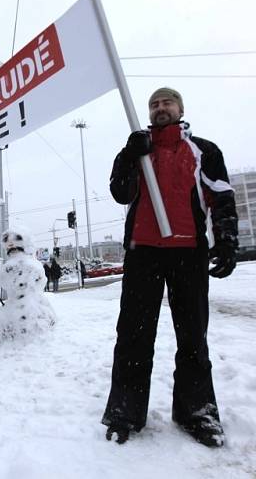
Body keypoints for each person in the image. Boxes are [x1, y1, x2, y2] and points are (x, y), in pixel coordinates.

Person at [101, 87, 238, 447]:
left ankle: (196, 412)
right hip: (143, 251)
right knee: (133, 336)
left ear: (180, 108)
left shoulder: (203, 151)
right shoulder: (135, 148)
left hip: (188, 252)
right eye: (154, 104)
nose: (160, 108)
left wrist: (226, 240)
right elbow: (120, 192)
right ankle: (125, 412)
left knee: (193, 335)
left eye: (167, 103)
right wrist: (132, 157)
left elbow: (221, 196)